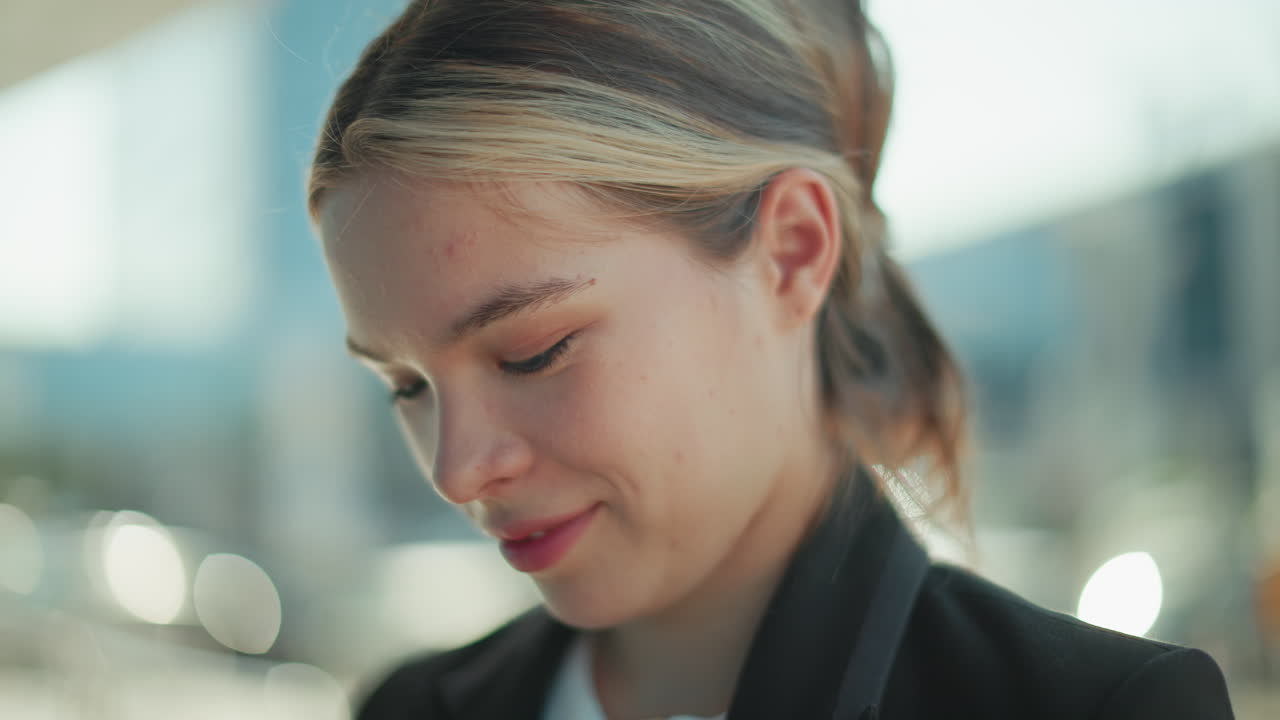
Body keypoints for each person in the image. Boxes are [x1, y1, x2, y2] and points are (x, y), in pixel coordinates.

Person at [307, 1, 1236, 718]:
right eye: (407, 386)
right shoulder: (408, 710)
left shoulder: (1094, 711)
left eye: (533, 353)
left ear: (791, 251)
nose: (459, 470)